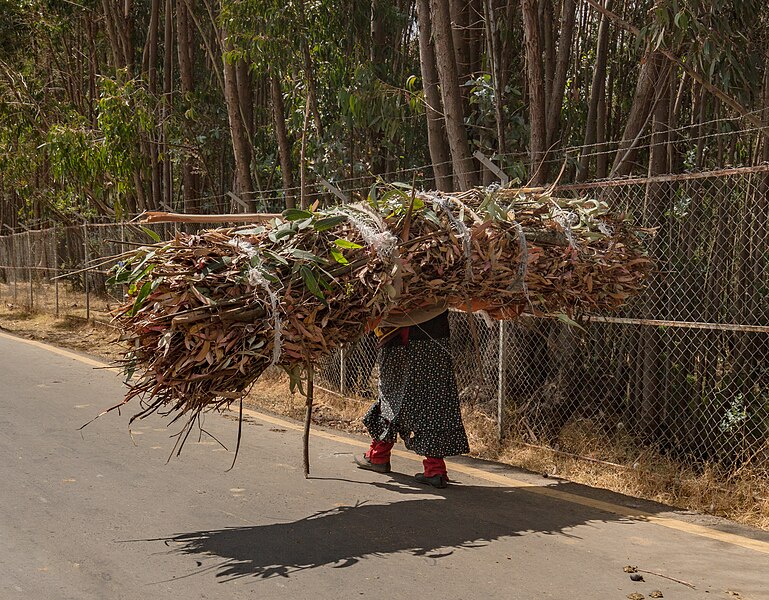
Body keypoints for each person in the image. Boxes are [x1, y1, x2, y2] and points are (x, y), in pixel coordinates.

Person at [354, 304, 470, 488]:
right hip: (436, 338)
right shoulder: (440, 289)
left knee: (392, 397)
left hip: (401, 339)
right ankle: (435, 469)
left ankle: (378, 456)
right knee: (434, 399)